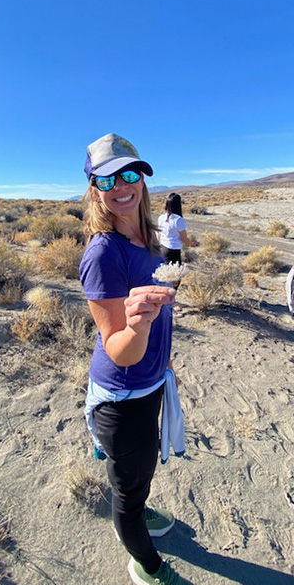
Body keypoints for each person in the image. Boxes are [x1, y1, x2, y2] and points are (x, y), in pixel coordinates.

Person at [80, 133, 192, 585]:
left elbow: (159, 298)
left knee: (140, 473)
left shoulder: (146, 237)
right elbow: (118, 349)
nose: (123, 184)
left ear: (142, 181)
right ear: (95, 188)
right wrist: (137, 326)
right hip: (122, 395)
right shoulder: (102, 253)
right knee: (128, 490)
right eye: (110, 178)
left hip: (151, 381)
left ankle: (141, 508)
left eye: (132, 173)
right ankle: (147, 565)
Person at [158, 193, 197, 265]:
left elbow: (160, 235)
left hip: (163, 249)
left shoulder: (161, 217)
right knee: (174, 274)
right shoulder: (178, 219)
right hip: (173, 251)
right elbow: (184, 239)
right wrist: (192, 244)